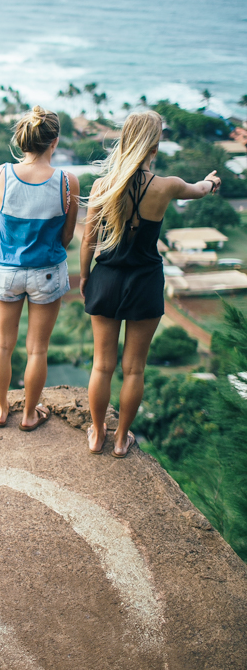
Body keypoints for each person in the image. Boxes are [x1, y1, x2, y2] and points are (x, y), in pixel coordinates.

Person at [80, 108, 221, 457]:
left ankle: (97, 434)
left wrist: (85, 277)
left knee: (102, 365)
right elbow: (199, 189)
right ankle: (120, 439)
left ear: (125, 140)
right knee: (135, 368)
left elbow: (88, 240)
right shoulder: (167, 186)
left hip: (107, 278)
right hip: (144, 282)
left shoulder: (103, 185)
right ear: (154, 147)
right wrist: (212, 182)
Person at [0, 106, 79, 429]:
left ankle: (0, 409)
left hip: (6, 269)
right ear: (54, 141)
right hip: (47, 271)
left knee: (3, 343)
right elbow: (67, 236)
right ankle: (29, 414)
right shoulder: (67, 182)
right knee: (37, 349)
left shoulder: (1, 174)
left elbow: (0, 226)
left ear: (22, 139)